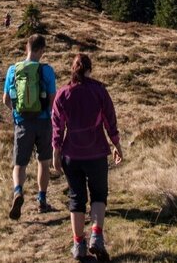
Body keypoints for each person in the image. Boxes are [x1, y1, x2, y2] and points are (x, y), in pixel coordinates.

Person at [51, 53, 123, 262]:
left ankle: (78, 245)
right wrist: (116, 145)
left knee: (76, 198)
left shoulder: (63, 94)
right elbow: (110, 120)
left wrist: (56, 152)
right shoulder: (99, 91)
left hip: (71, 154)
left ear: (72, 70)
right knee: (99, 195)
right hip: (97, 152)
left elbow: (57, 127)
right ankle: (96, 237)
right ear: (90, 70)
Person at [2, 33, 57, 219]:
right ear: (42, 50)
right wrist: (47, 113)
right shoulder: (47, 71)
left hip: (22, 123)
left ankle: (18, 191)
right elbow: (52, 99)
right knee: (43, 162)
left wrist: (17, 112)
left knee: (19, 164)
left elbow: (5, 99)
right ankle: (42, 200)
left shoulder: (13, 70)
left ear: (27, 47)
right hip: (43, 122)